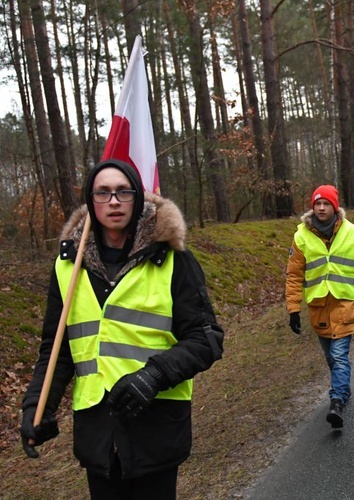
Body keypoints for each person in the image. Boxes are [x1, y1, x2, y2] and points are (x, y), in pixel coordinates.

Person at [20, 159, 224, 498]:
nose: (113, 201)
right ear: (91, 200)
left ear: (138, 199)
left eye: (123, 192)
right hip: (97, 435)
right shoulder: (67, 268)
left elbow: (206, 338)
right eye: (103, 193)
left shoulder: (173, 259)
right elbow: (56, 350)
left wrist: (154, 375)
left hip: (155, 427)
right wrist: (37, 407)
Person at [285, 185, 354, 429]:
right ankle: (343, 388)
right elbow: (293, 276)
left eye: (326, 204)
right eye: (317, 204)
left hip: (345, 304)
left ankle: (337, 401)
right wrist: (293, 309)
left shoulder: (351, 232)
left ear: (335, 206)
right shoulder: (301, 236)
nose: (321, 208)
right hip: (319, 308)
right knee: (330, 358)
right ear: (313, 207)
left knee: (339, 355)